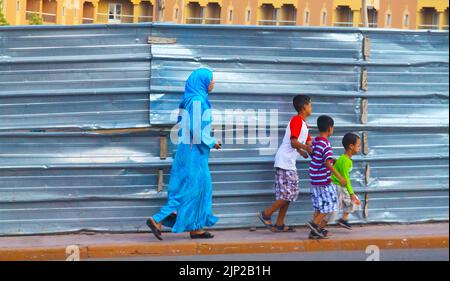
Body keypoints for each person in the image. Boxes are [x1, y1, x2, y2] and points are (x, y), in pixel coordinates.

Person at [146, 68, 221, 240]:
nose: (213, 83)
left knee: (200, 188)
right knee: (189, 189)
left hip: (193, 152)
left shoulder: (193, 99)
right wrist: (211, 141)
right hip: (193, 153)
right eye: (211, 79)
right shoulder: (196, 101)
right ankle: (157, 219)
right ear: (202, 82)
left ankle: (196, 228)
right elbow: (195, 129)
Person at [258, 95, 313, 232]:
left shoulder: (305, 126)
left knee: (288, 196)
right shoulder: (296, 120)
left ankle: (280, 224)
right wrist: (305, 149)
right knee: (289, 195)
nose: (312, 108)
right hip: (284, 162)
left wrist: (306, 152)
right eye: (310, 105)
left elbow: (304, 144)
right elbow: (294, 142)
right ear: (304, 107)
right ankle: (266, 214)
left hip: (289, 162)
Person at [306, 115, 346, 239]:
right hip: (324, 181)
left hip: (314, 180)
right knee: (330, 204)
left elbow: (315, 156)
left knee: (319, 206)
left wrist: (330, 160)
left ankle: (314, 232)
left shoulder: (316, 142)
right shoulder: (326, 144)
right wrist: (340, 177)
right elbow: (327, 163)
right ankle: (314, 223)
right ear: (330, 129)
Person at [331, 133, 361, 230]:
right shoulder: (345, 161)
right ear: (351, 146)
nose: (360, 148)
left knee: (354, 202)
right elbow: (345, 178)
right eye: (358, 146)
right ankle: (318, 225)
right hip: (337, 186)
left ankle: (343, 219)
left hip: (341, 187)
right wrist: (351, 193)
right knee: (333, 209)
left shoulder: (346, 159)